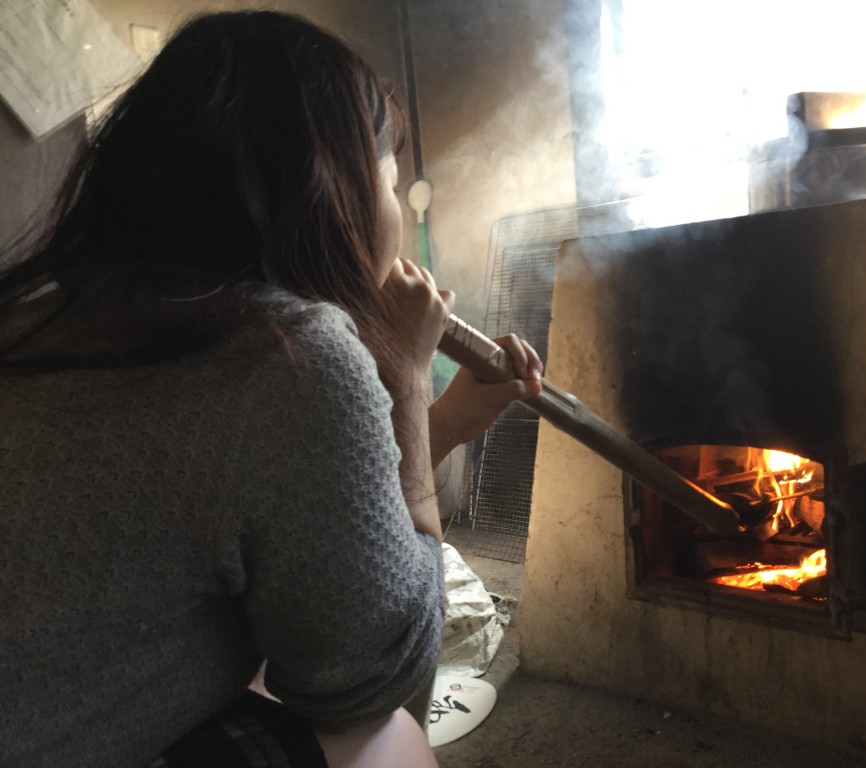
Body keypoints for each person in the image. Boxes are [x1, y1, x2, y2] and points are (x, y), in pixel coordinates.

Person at [0, 9, 542, 768]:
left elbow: (305, 518)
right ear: (333, 191)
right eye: (388, 178)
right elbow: (377, 677)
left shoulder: (41, 314)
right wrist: (406, 379)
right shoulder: (286, 358)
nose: (392, 204)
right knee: (390, 745)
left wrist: (447, 417)